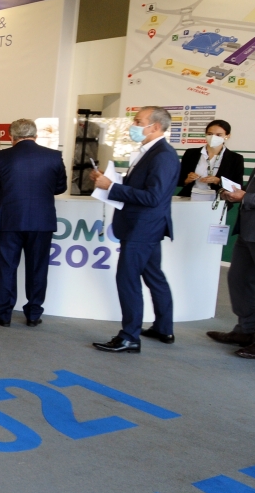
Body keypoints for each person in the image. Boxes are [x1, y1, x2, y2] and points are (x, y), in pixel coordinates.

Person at [90, 106, 179, 353]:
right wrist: (110, 181)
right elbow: (141, 187)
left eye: (138, 121)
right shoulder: (150, 152)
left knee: (127, 279)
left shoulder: (163, 155)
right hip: (145, 226)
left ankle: (129, 336)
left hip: (143, 227)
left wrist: (112, 187)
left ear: (155, 126)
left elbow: (153, 196)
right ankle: (163, 327)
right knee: (154, 276)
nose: (133, 125)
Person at [0, 119, 67, 327]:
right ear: (35, 136)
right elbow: (60, 187)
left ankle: (4, 313)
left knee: (7, 267)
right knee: (38, 268)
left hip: (9, 220)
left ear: (12, 137)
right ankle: (34, 314)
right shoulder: (54, 156)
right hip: (41, 221)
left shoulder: (0, 157)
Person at [213, 106, 255, 358]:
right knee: (238, 280)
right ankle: (244, 330)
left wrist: (246, 197)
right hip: (249, 229)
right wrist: (237, 192)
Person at [178, 120, 244, 199]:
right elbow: (179, 180)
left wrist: (218, 181)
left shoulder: (235, 158)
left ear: (227, 136)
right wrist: (187, 180)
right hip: (189, 197)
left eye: (218, 135)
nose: (213, 137)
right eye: (210, 134)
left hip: (217, 200)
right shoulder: (191, 153)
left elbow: (238, 187)